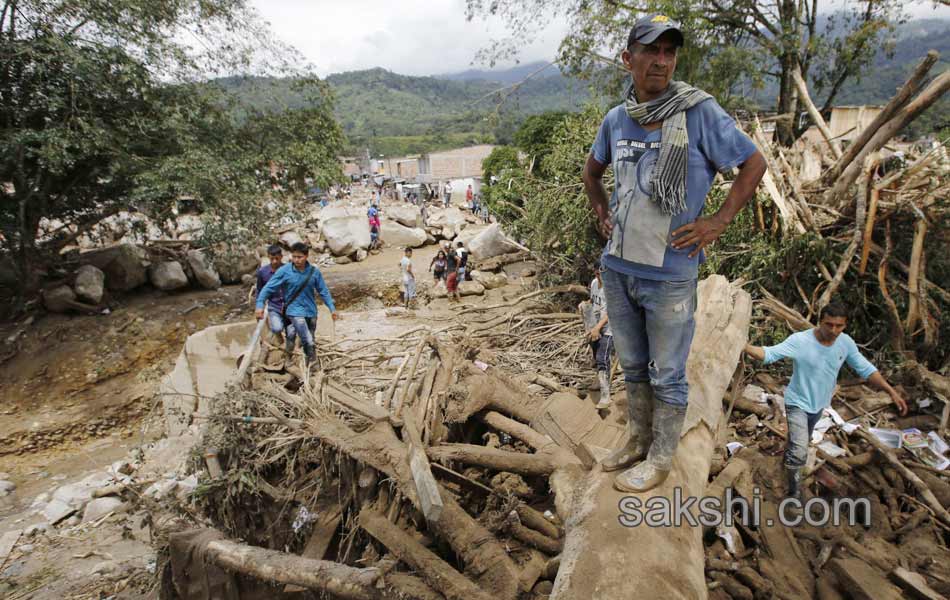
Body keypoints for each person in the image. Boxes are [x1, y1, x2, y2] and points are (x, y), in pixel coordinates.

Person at [583, 14, 767, 493]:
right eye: (651, 51)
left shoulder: (699, 112)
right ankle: (637, 439)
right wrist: (602, 213)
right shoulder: (616, 119)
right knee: (631, 364)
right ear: (629, 59)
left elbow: (753, 162)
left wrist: (718, 220)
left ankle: (662, 456)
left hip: (670, 275)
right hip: (618, 270)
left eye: (669, 52)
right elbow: (592, 172)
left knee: (667, 373)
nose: (661, 61)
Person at [744, 302, 907, 505]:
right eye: (829, 324)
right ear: (820, 321)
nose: (833, 330)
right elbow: (768, 354)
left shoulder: (845, 343)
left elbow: (865, 369)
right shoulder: (800, 341)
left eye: (839, 326)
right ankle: (793, 494)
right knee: (801, 448)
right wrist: (743, 345)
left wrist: (891, 391)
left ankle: (789, 458)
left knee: (799, 442)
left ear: (845, 325)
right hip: (797, 402)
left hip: (820, 404)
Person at [256, 242, 339, 366]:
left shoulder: (314, 272)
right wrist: (259, 305)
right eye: (294, 257)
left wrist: (332, 309)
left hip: (311, 311)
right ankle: (313, 364)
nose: (296, 260)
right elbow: (268, 288)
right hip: (293, 311)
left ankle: (292, 360)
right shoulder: (284, 271)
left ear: (306, 256)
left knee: (294, 336)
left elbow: (324, 291)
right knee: (308, 339)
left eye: (299, 257)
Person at [584, 261, 614, 409]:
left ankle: (605, 395)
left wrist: (598, 327)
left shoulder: (613, 287)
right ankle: (599, 379)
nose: (600, 277)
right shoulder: (595, 283)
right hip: (594, 325)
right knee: (596, 356)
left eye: (602, 273)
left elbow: (611, 312)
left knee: (603, 358)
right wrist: (584, 304)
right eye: (597, 273)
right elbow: (593, 300)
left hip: (609, 329)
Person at [255, 245, 287, 342]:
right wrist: (259, 306)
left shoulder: (288, 269)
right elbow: (259, 290)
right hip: (274, 306)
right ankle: (279, 337)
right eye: (272, 259)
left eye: (277, 258)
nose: (274, 261)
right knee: (277, 328)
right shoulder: (262, 272)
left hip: (289, 305)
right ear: (268, 257)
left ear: (281, 257)